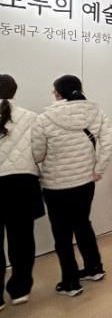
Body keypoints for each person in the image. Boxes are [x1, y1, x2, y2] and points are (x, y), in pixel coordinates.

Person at [32, 75, 112, 297]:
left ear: (58, 93)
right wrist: (98, 169)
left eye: (54, 90)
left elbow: (37, 154)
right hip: (85, 181)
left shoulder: (44, 118)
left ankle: (70, 282)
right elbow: (109, 143)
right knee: (83, 224)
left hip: (55, 185)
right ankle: (94, 268)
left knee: (62, 234)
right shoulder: (95, 112)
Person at [0, 75, 44, 308]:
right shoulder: (31, 117)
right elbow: (39, 152)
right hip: (23, 184)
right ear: (14, 91)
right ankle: (20, 290)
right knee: (23, 240)